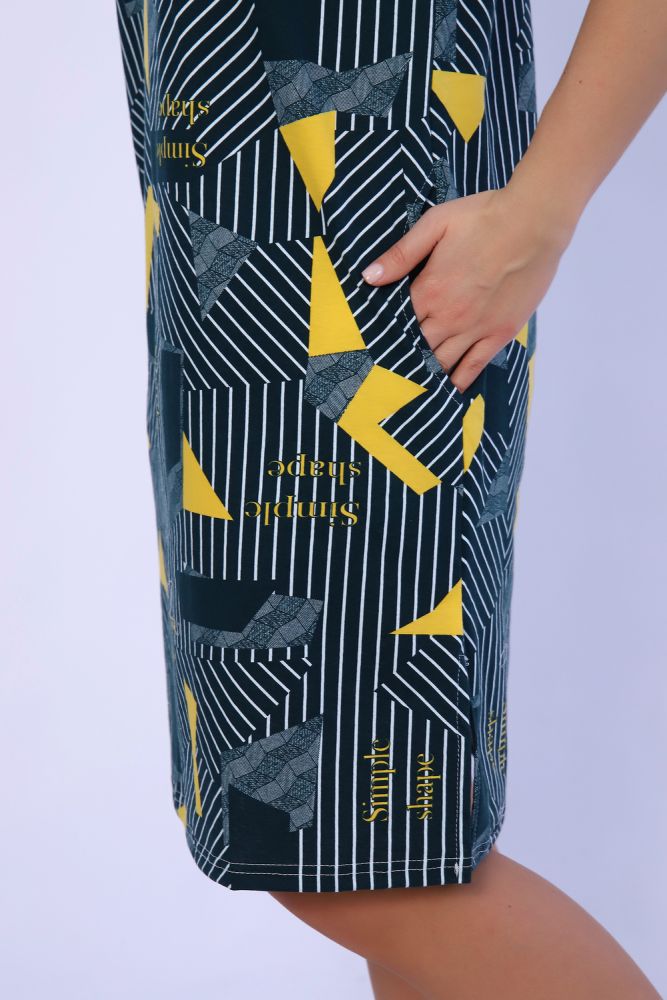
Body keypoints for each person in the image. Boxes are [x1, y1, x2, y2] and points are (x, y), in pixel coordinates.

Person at [115, 1, 666, 996]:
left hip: (361, 237)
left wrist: (542, 208)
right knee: (381, 848)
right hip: (222, 236)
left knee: (335, 840)